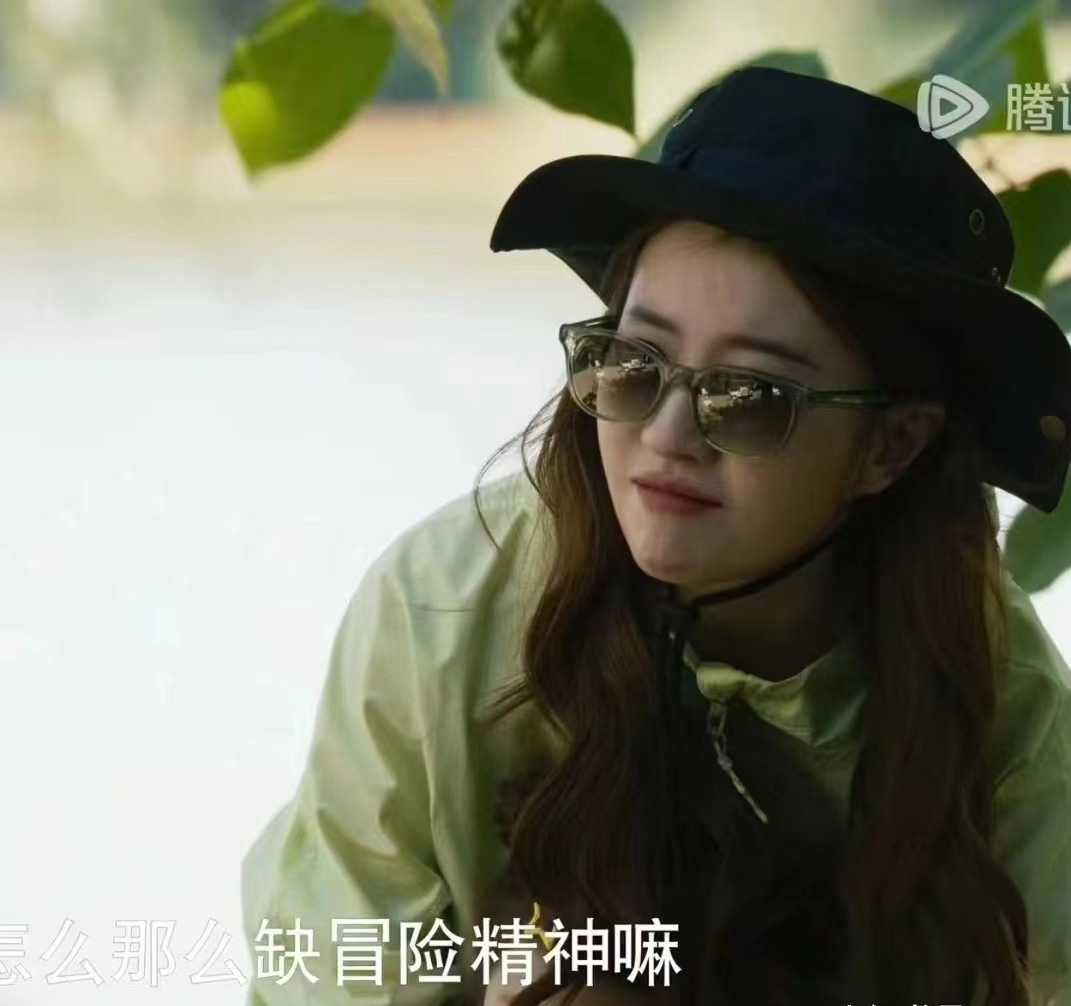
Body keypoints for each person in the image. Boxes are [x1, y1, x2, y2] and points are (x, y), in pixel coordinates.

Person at [240, 67, 1071, 1006]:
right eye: (632, 363)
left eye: (748, 395)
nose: (667, 436)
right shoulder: (445, 608)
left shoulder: (987, 678)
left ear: (891, 445)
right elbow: (340, 967)